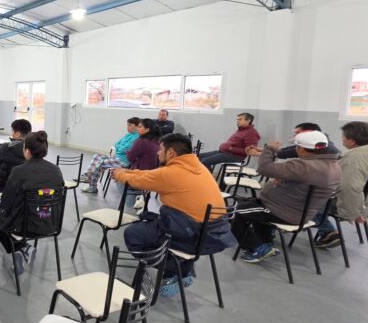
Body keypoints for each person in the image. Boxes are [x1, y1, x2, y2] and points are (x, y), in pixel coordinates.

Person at [113, 134, 232, 296]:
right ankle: (178, 269)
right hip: (214, 232)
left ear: (171, 152)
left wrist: (118, 174)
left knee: (133, 234)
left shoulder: (172, 173)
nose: (157, 152)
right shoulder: (197, 166)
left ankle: (179, 269)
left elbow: (138, 182)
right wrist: (126, 171)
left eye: (161, 149)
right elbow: (151, 174)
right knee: (150, 221)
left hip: (194, 236)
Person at [232, 131, 341, 263]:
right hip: (300, 212)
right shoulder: (334, 166)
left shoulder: (303, 166)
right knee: (253, 208)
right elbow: (306, 183)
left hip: (282, 212)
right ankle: (266, 243)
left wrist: (269, 149)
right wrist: (286, 180)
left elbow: (264, 168)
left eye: (297, 147)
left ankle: (257, 248)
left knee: (235, 212)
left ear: (301, 149)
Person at [0, 131, 64, 275]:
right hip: (51, 224)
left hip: (24, 227)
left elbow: (5, 204)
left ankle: (18, 248)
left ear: (27, 151)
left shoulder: (19, 172)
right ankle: (23, 248)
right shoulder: (56, 170)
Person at [314, 121, 368, 248]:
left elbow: (350, 188)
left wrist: (353, 213)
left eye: (343, 136)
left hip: (349, 205)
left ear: (352, 141)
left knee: (301, 201)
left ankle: (328, 233)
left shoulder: (353, 159)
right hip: (360, 203)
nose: (342, 139)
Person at [80, 117, 140, 193]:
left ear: (137, 126)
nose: (127, 127)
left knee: (102, 162)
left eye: (130, 125)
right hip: (116, 158)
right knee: (97, 156)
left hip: (123, 161)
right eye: (127, 125)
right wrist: (120, 148)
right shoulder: (128, 135)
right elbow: (117, 144)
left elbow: (123, 149)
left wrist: (120, 148)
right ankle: (87, 175)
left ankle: (92, 186)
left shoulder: (136, 137)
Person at [0, 119, 32, 208]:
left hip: (4, 183)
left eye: (13, 131)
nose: (12, 133)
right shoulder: (33, 147)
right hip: (25, 186)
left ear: (18, 134)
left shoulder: (7, 147)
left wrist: (12, 142)